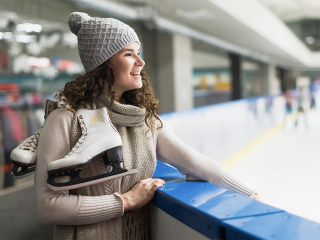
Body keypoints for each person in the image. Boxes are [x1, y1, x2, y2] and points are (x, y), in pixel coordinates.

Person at [35, 12, 261, 240]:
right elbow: (49, 206)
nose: (140, 62)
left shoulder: (144, 121)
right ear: (103, 65)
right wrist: (127, 200)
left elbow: (196, 164)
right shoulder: (65, 120)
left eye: (139, 53)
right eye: (128, 54)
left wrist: (250, 195)